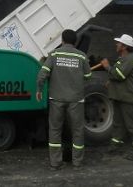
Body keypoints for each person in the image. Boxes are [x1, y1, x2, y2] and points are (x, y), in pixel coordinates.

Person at [36, 29, 92, 169]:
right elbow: (88, 77)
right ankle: (77, 162)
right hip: (76, 99)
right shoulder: (82, 56)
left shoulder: (55, 54)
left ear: (62, 40)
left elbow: (43, 74)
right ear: (75, 41)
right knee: (78, 130)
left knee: (55, 130)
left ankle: (56, 163)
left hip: (57, 98)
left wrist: (39, 90)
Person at [101, 34, 133, 160]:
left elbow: (119, 74)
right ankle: (115, 146)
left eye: (119, 43)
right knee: (118, 124)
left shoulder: (130, 58)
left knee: (132, 125)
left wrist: (107, 67)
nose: (117, 45)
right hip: (121, 97)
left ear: (125, 46)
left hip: (128, 98)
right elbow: (119, 75)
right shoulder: (124, 58)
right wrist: (111, 81)